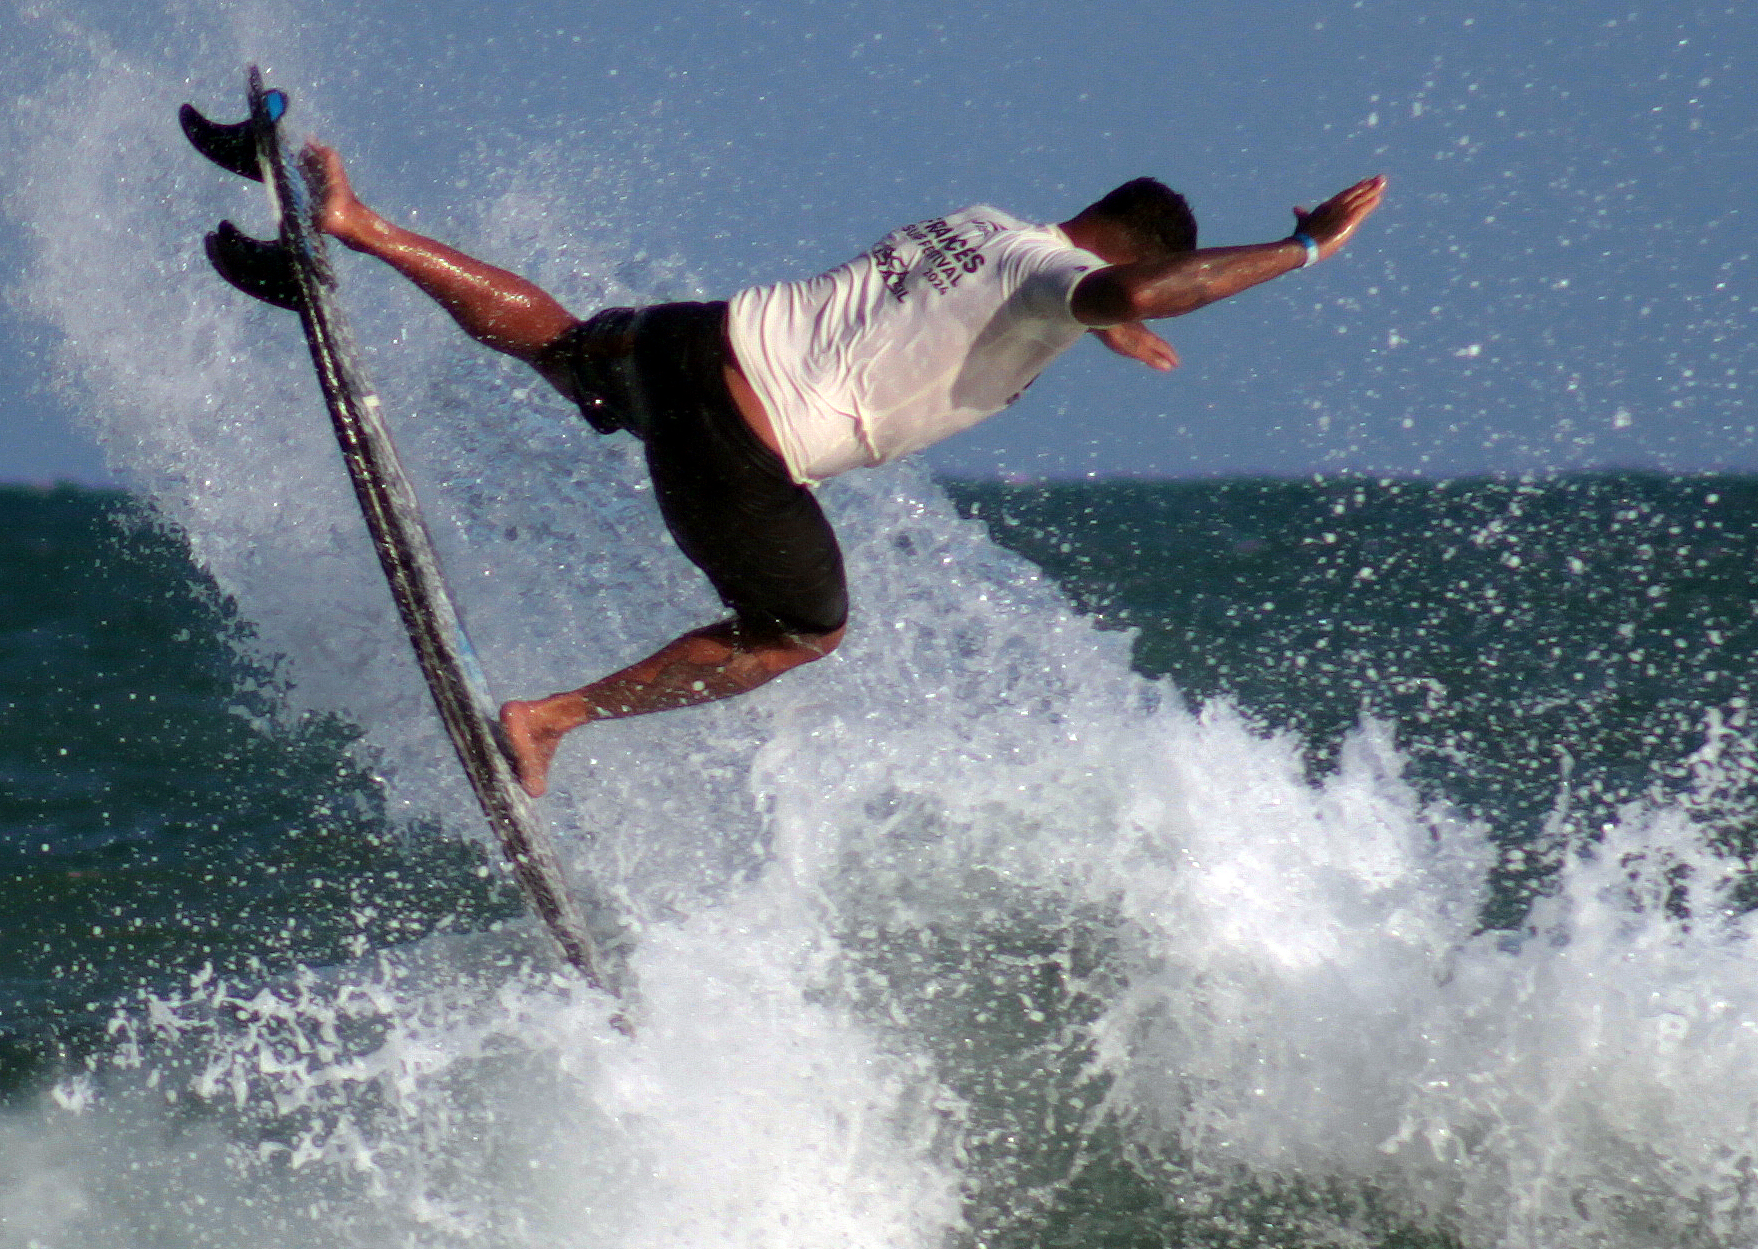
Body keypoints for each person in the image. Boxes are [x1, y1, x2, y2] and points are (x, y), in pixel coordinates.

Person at [299, 144, 1387, 795]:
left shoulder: (988, 225)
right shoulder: (1073, 278)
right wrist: (1300, 251)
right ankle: (551, 719)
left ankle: (362, 224)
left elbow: (1018, 302)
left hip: (687, 343)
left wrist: (1097, 323)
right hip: (748, 438)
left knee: (563, 344)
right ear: (1141, 258)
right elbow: (1128, 291)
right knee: (804, 632)